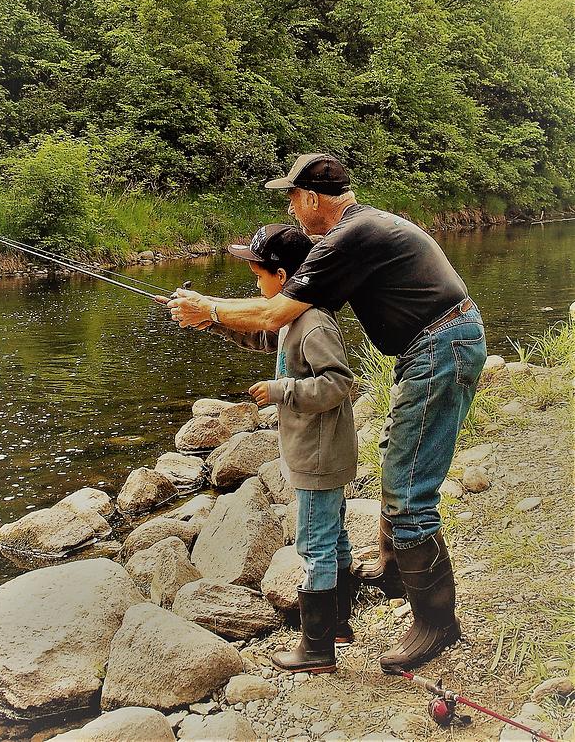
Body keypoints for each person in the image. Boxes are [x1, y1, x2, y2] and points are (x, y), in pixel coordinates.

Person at [166, 153, 487, 673]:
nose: (291, 210)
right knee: (397, 469)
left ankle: (436, 624)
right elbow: (285, 325)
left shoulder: (348, 238)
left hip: (440, 348)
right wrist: (218, 323)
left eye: (292, 198)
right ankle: (394, 576)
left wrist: (212, 307)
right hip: (431, 347)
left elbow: (276, 312)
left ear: (313, 198)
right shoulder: (351, 237)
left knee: (408, 492)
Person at [211, 223, 357, 673]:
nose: (254, 285)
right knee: (334, 537)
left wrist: (281, 390)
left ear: (280, 275)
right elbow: (262, 337)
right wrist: (212, 319)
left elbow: (339, 383)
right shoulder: (292, 318)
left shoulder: (312, 324)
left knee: (315, 545)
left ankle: (317, 650)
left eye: (257, 276)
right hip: (318, 451)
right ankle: (338, 626)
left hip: (318, 455)